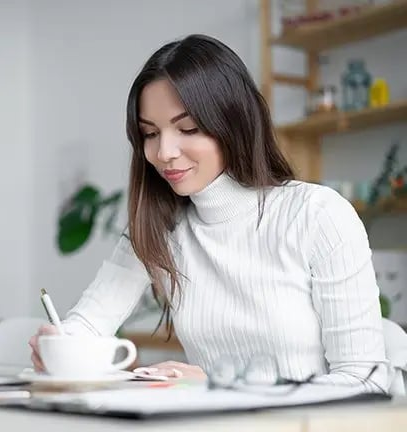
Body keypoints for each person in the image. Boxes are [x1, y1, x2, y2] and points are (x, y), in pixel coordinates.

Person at [29, 34, 389, 392]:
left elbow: (364, 383)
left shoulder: (316, 215)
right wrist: (62, 342)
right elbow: (89, 324)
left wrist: (223, 386)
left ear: (233, 124)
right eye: (150, 134)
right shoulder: (160, 228)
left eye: (188, 129)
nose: (164, 152)